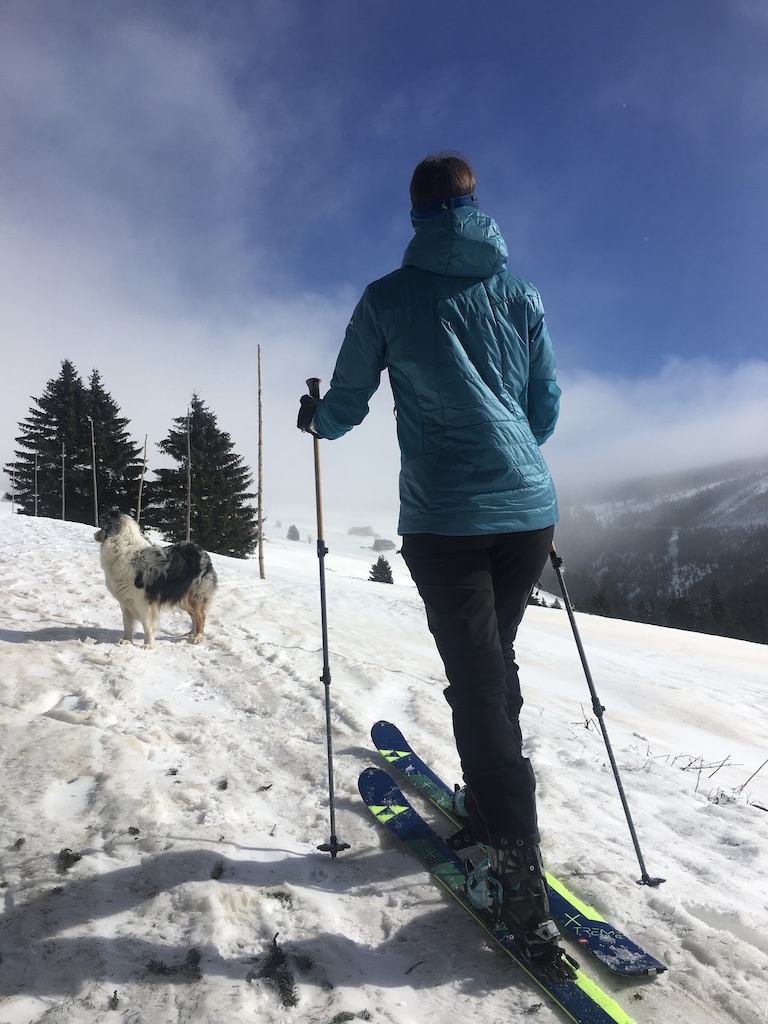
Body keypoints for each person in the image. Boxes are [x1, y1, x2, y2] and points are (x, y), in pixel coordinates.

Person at [297, 153, 567, 977]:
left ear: (415, 212)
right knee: (494, 663)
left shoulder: (387, 297)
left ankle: (516, 871)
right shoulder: (519, 293)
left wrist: (317, 418)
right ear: (476, 202)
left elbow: (344, 407)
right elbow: (544, 404)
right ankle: (492, 808)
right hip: (527, 511)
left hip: (445, 521)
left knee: (478, 678)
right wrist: (510, 454)